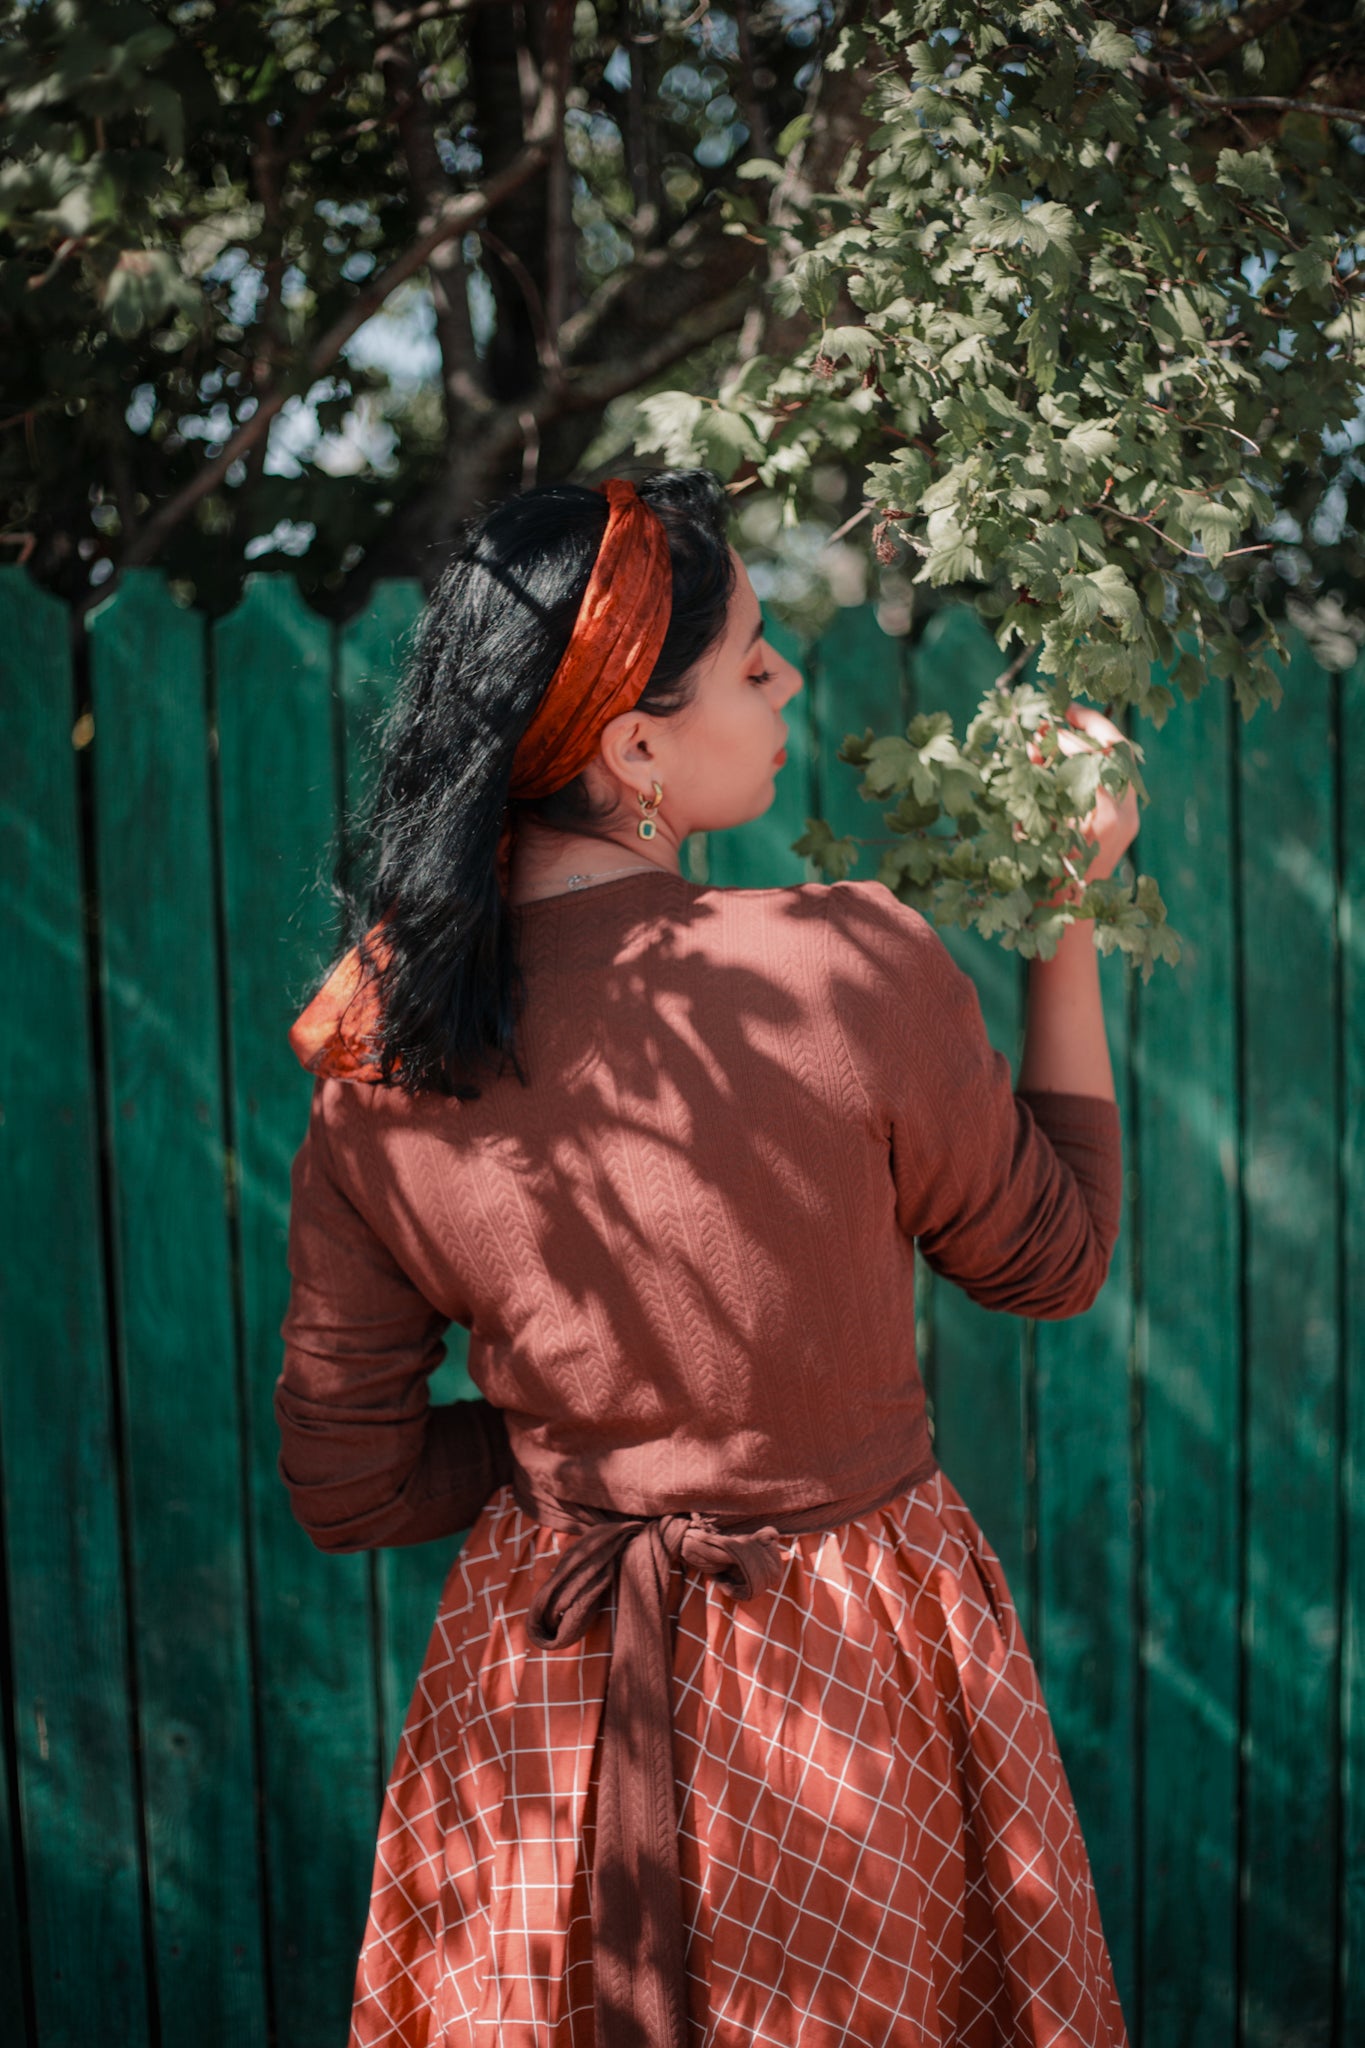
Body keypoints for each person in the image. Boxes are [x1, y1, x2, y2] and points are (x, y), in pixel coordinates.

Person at [277, 468, 1135, 2048]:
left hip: (538, 1698)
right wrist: (1067, 910)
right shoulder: (840, 967)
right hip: (849, 1679)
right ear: (631, 744)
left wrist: (583, 1452)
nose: (786, 677)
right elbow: (1052, 1262)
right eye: (752, 659)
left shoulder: (377, 1048)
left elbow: (350, 1484)